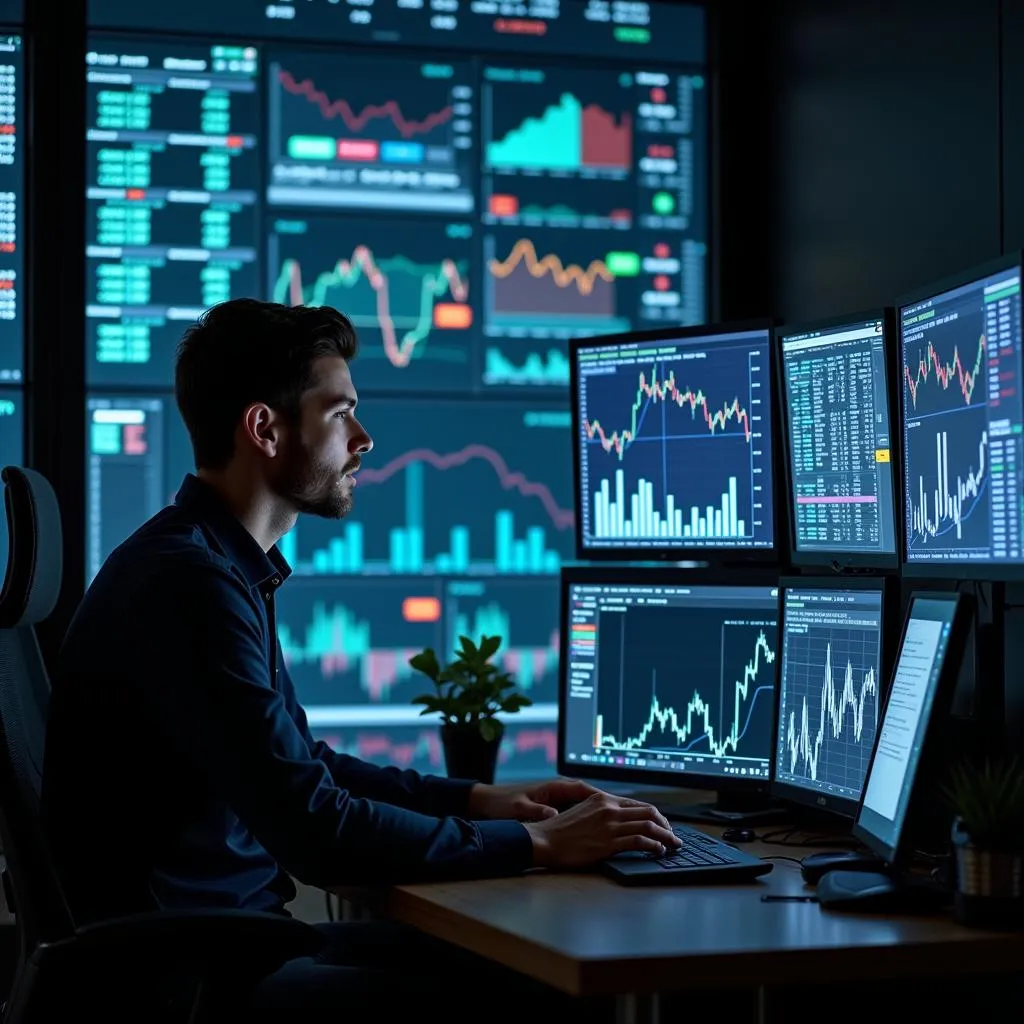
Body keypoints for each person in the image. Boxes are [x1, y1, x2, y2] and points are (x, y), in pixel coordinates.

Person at [41, 299, 680, 1014]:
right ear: (265, 428)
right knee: (542, 990)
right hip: (198, 976)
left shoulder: (215, 564)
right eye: (340, 412)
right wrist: (536, 843)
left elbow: (303, 769)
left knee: (523, 967)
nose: (364, 438)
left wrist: (479, 799)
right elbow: (314, 830)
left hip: (227, 946)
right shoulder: (191, 584)